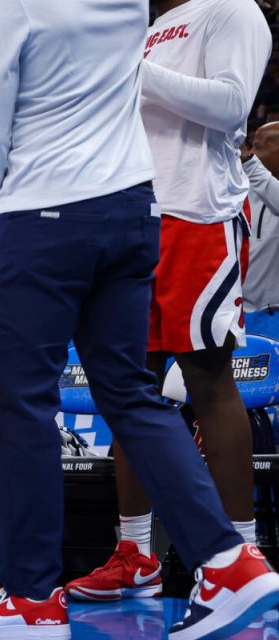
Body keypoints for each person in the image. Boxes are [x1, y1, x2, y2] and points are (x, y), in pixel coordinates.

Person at [0, 0, 279, 637]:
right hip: (134, 210)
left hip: (45, 208)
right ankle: (229, 563)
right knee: (130, 392)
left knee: (23, 406)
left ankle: (31, 600)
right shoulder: (127, 4)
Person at [66, 0, 274, 610]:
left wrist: (130, 65)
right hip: (134, 215)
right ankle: (136, 554)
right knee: (130, 391)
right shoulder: (149, 27)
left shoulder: (233, 10)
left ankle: (240, 560)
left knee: (209, 379)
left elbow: (231, 105)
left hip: (199, 214)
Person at [243, 122, 279, 312]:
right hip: (239, 311)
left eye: (258, 147)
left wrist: (249, 162)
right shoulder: (243, 188)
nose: (252, 152)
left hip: (273, 312)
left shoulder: (253, 170)